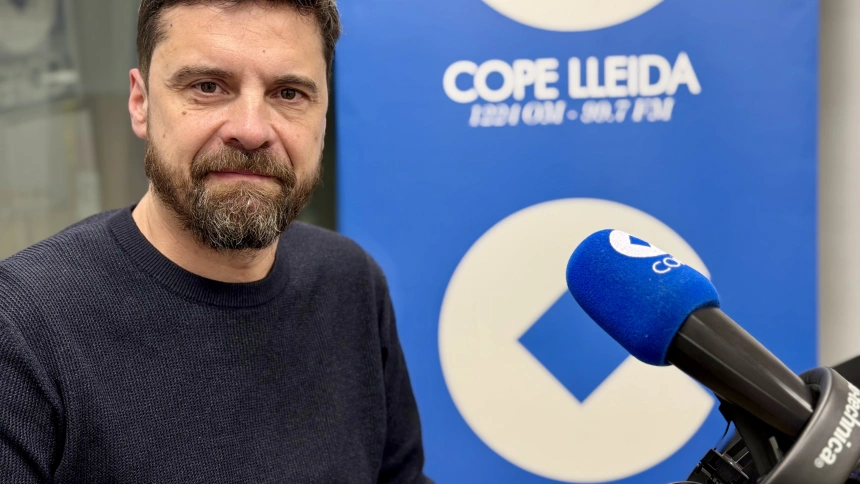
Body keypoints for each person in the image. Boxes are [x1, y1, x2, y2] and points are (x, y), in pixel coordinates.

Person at [0, 1, 432, 482]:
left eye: (288, 93)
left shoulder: (349, 283)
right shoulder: (23, 326)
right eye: (208, 87)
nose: (250, 130)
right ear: (141, 103)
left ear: (324, 116)